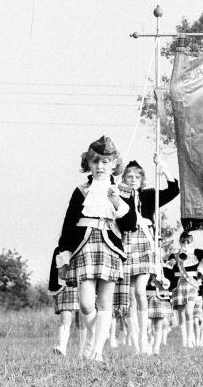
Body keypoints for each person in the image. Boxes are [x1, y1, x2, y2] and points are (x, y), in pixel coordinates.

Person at [48, 135, 137, 361]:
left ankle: (97, 351)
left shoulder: (125, 191)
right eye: (95, 161)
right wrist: (63, 254)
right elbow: (68, 225)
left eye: (105, 162)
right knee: (86, 304)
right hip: (84, 247)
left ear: (114, 164)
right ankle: (92, 339)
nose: (100, 166)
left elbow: (130, 225)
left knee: (104, 302)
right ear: (88, 163)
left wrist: (117, 201)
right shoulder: (81, 191)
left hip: (110, 248)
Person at [119, 160, 180, 355]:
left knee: (140, 290)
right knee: (129, 296)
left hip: (145, 242)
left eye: (137, 177)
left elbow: (173, 191)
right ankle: (136, 343)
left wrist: (165, 169)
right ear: (124, 178)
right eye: (129, 176)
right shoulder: (119, 196)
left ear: (142, 179)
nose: (133, 180)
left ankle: (144, 340)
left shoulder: (149, 195)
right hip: (126, 242)